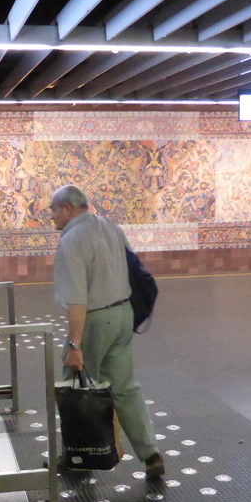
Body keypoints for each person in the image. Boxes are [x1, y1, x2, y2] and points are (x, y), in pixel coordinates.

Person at [50, 184, 164, 480]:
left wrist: (74, 345)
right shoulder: (109, 226)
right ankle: (150, 454)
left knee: (76, 387)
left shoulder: (71, 240)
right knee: (126, 388)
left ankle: (79, 457)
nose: (51, 217)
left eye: (53, 210)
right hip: (123, 315)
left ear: (67, 208)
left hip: (95, 320)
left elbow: (77, 299)